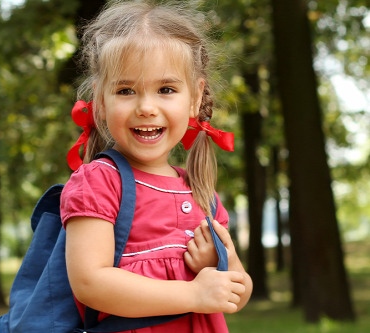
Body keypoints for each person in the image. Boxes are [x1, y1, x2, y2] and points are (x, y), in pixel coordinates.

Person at [60, 1, 253, 332]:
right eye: (126, 90)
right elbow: (90, 283)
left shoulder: (201, 193)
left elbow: (237, 294)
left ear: (195, 96)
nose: (146, 107)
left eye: (166, 89)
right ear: (101, 101)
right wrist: (194, 294)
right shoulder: (99, 182)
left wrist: (223, 263)